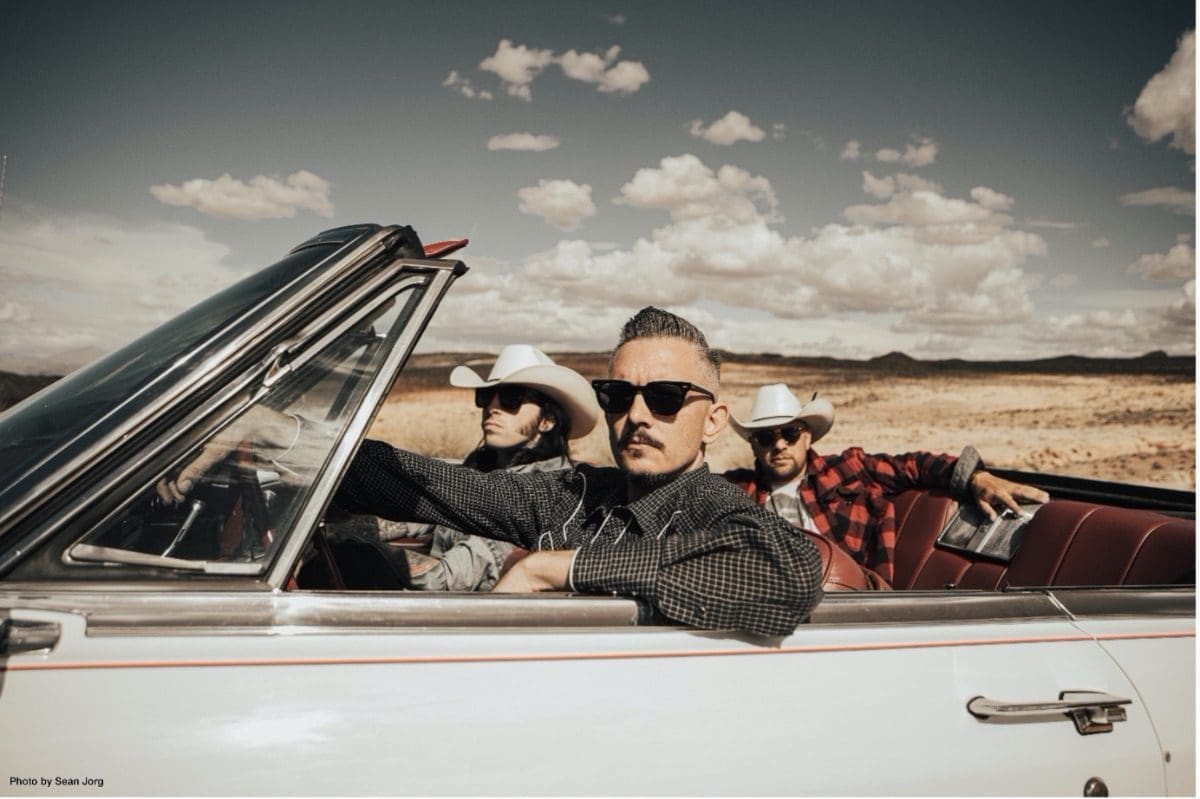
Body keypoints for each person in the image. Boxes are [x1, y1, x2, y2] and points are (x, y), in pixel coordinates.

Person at [160, 307, 824, 638]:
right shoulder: (575, 496)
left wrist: (553, 569)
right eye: (619, 396)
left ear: (713, 421)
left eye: (668, 397)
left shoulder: (717, 509)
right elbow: (434, 485)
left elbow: (786, 570)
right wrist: (278, 434)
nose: (638, 415)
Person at [723, 383, 1050, 585]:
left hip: (850, 598)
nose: (779, 445)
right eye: (766, 437)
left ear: (807, 436)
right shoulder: (734, 491)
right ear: (754, 445)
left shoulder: (848, 469)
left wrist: (976, 477)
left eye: (790, 433)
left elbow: (915, 466)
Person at [384, 344, 598, 591]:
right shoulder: (479, 471)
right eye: (485, 396)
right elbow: (421, 511)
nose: (492, 408)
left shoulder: (544, 497)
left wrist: (361, 547)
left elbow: (441, 578)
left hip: (467, 612)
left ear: (547, 421)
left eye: (511, 398)